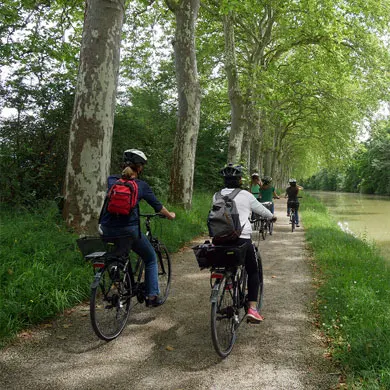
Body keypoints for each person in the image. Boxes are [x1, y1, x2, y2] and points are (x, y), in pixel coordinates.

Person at [100, 149, 175, 307]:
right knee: (150, 258)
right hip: (128, 230)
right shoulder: (141, 185)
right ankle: (152, 296)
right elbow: (158, 207)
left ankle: (117, 276)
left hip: (106, 229)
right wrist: (170, 215)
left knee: (118, 254)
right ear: (139, 167)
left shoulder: (112, 180)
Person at [215, 163, 276, 323]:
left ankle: (228, 281)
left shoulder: (216, 195)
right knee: (253, 271)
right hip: (242, 239)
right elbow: (261, 210)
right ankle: (252, 309)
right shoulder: (246, 195)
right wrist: (271, 217)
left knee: (227, 261)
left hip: (220, 239)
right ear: (240, 179)